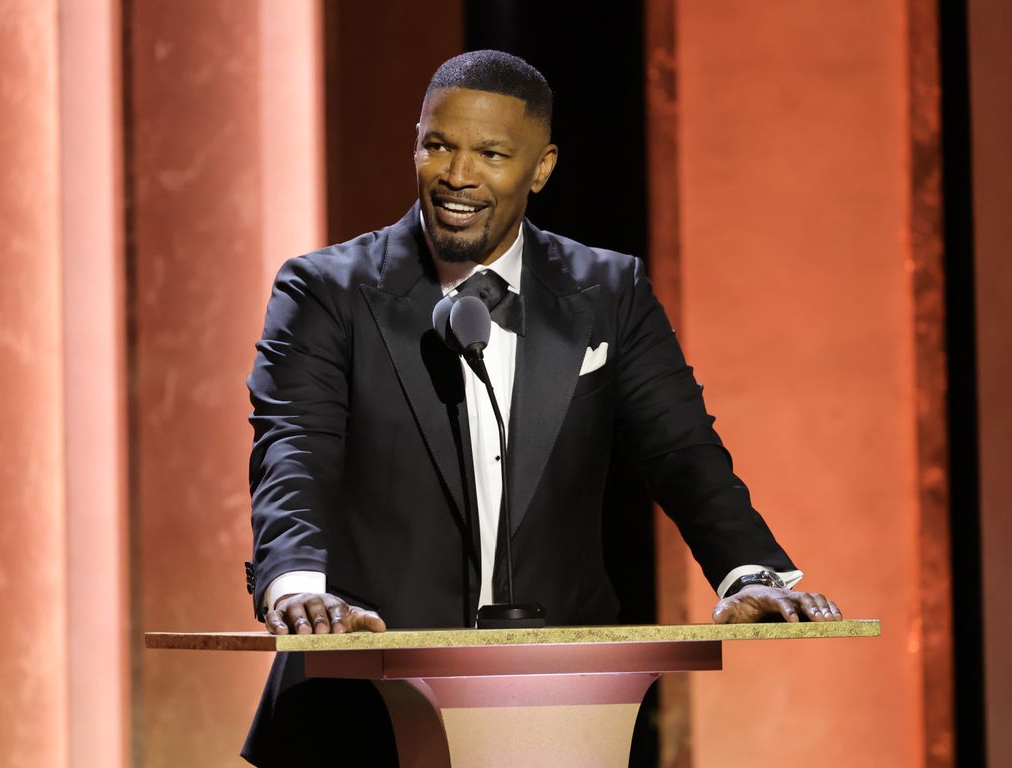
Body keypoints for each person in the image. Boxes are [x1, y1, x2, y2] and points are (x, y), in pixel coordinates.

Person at [242, 50, 841, 766]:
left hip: (556, 710)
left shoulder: (607, 291)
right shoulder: (325, 291)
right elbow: (294, 447)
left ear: (541, 167)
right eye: (439, 145)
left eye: (491, 154)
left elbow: (680, 449)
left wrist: (746, 573)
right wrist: (299, 588)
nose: (458, 175)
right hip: (356, 715)